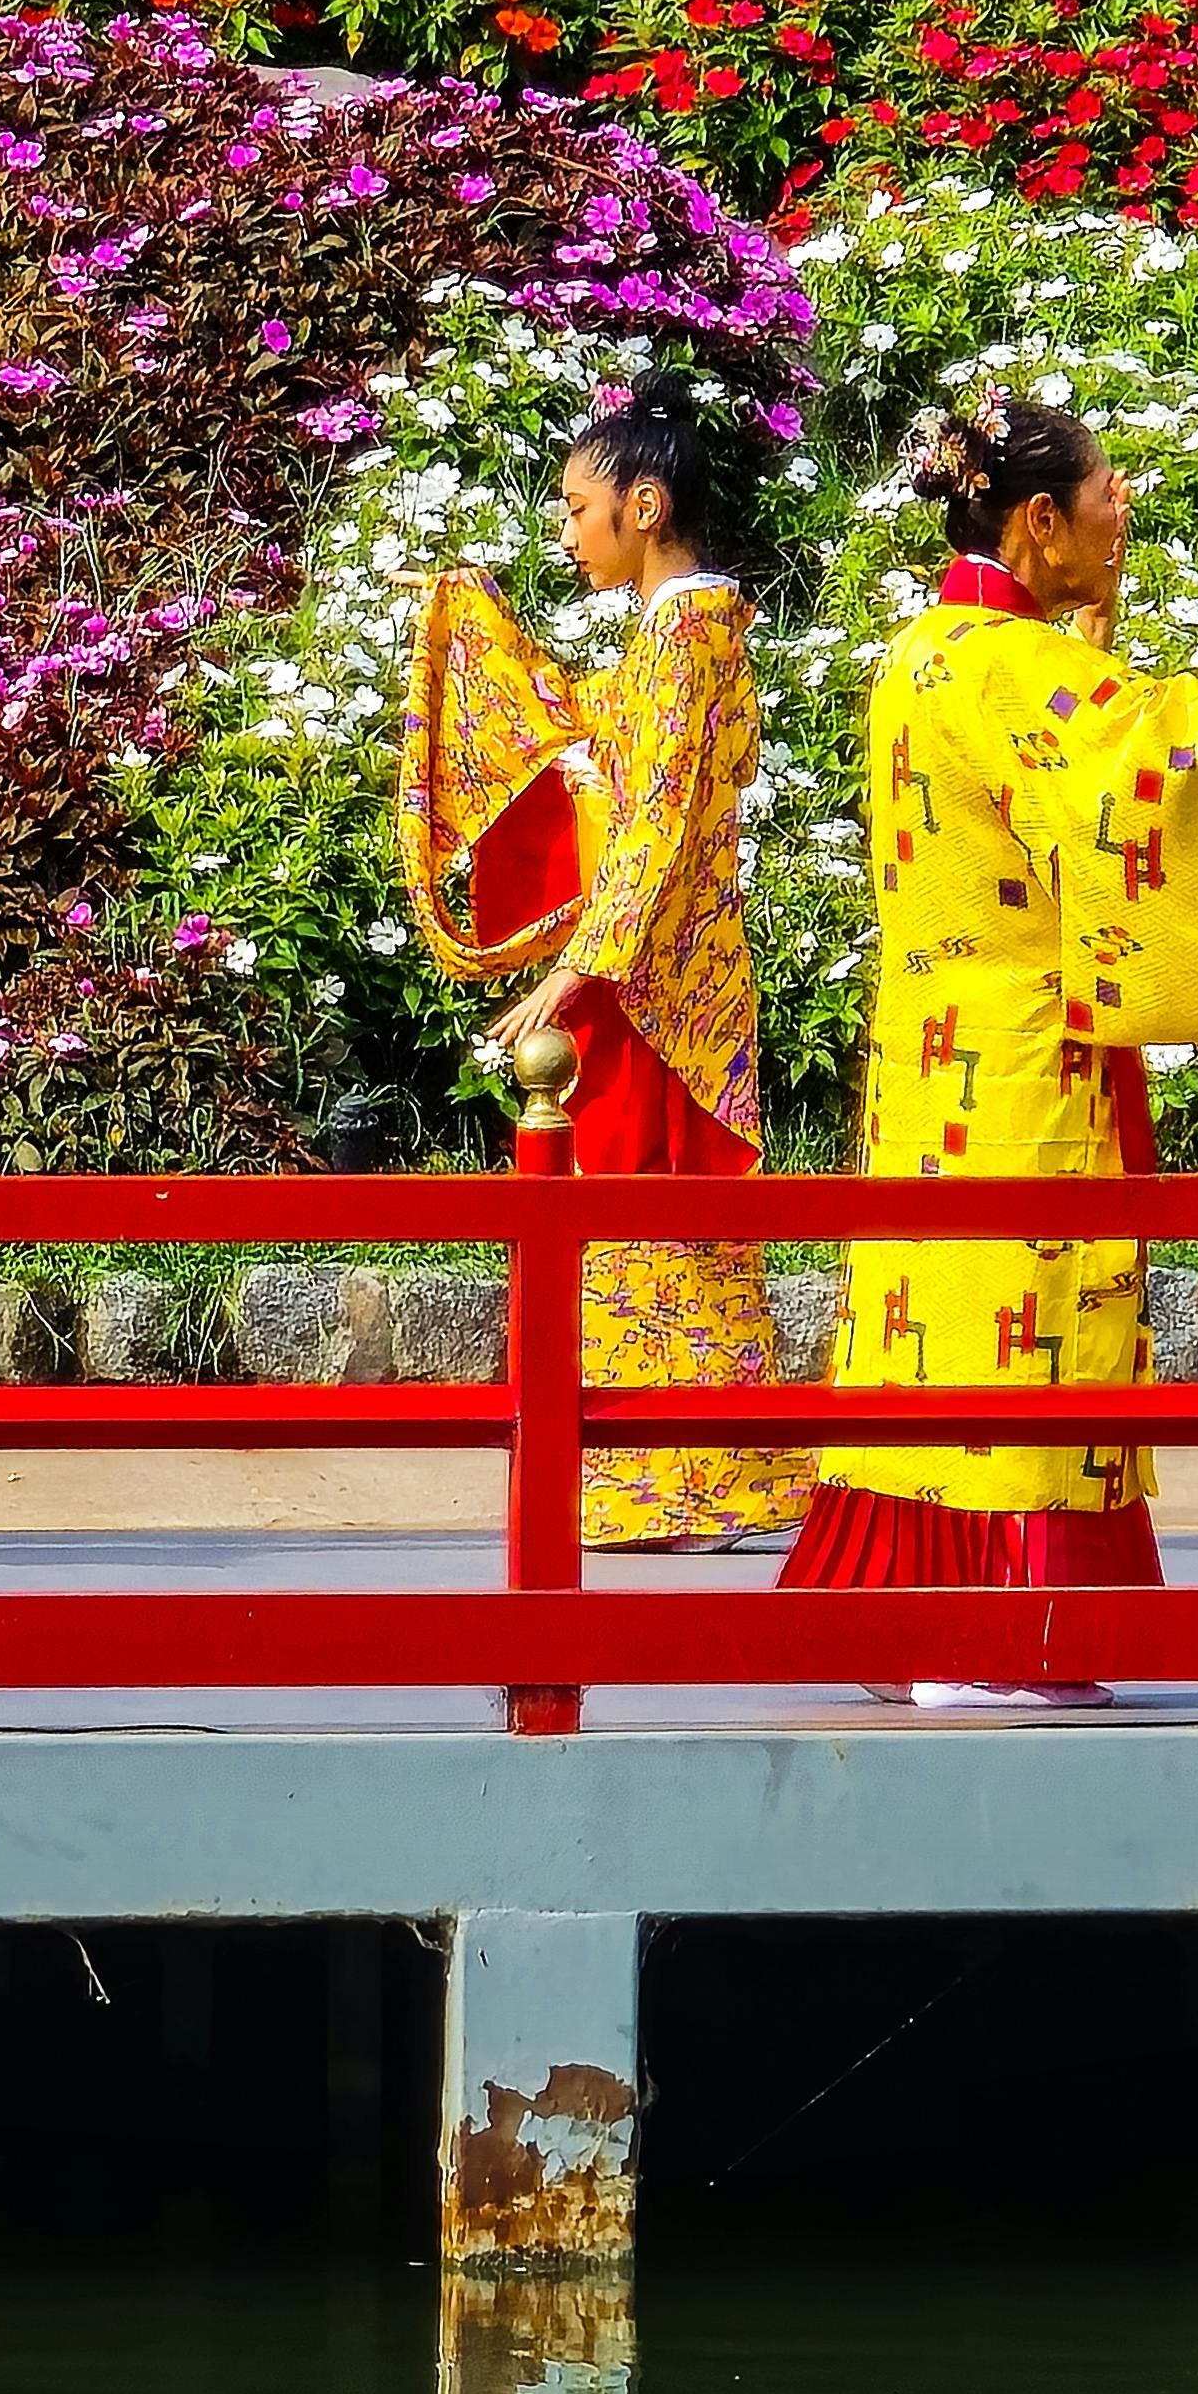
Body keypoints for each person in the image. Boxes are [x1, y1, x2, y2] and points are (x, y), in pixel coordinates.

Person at [784, 390, 1198, 1707]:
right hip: (1023, 1058)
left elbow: (1081, 784)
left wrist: (1097, 641)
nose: (1123, 507)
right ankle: (996, 1633)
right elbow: (1154, 755)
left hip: (929, 1052)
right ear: (1039, 520)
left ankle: (924, 1612)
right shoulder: (1014, 665)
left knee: (937, 1341)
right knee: (1023, 1345)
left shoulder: (922, 648)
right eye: (1104, 494)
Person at [399, 371, 813, 1550]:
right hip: (664, 964)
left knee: (643, 1200)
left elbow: (661, 824)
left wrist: (575, 967)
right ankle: (687, 1470)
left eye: (579, 507)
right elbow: (596, 744)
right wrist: (474, 630)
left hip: (657, 976)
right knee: (653, 1213)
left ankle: (680, 1475)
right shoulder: (675, 632)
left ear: (644, 504)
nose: (567, 532)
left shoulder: (685, 632)